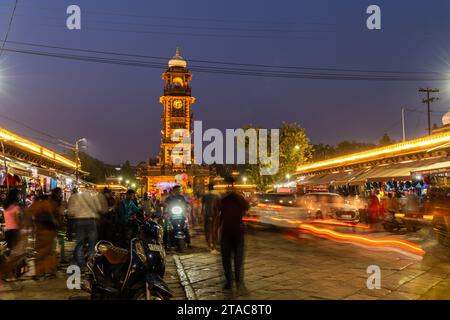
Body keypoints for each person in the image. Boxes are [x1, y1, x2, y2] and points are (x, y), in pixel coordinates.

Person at [219, 178, 250, 291]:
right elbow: (246, 208)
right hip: (234, 231)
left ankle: (231, 281)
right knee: (236, 258)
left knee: (228, 258)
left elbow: (220, 216)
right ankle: (236, 281)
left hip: (230, 232)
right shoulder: (238, 199)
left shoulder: (225, 199)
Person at [28, 190, 61, 278]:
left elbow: (30, 218)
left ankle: (39, 272)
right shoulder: (50, 205)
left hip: (39, 232)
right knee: (49, 252)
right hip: (49, 232)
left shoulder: (35, 205)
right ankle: (50, 271)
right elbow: (57, 217)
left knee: (40, 252)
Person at [67, 188, 99, 270]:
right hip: (91, 220)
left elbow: (70, 212)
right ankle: (91, 264)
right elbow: (99, 208)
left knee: (79, 244)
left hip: (79, 221)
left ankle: (82, 264)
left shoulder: (74, 197)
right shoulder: (93, 197)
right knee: (92, 244)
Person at [202, 183, 220, 254]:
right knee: (214, 231)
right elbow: (219, 205)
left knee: (207, 231)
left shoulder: (205, 195)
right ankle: (214, 246)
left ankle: (209, 245)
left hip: (207, 214)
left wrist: (202, 214)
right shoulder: (217, 195)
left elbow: (203, 205)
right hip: (215, 214)